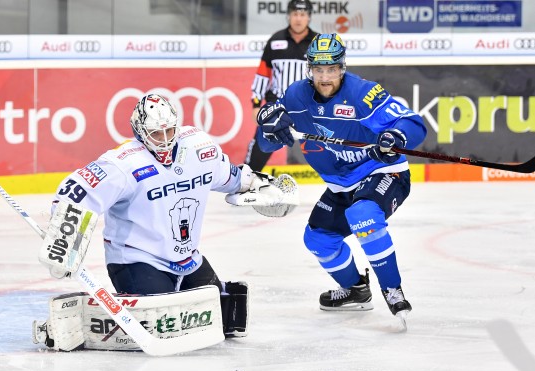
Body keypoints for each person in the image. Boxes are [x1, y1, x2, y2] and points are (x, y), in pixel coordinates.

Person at [33, 93, 295, 351]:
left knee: (224, 317)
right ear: (139, 132)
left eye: (170, 131)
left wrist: (258, 185)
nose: (165, 140)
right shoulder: (123, 164)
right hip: (136, 260)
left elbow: (231, 177)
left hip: (188, 259)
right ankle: (72, 323)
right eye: (156, 134)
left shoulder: (199, 149)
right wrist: (63, 241)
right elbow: (74, 193)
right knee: (164, 325)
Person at [255, 33, 427, 325]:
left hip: (382, 172)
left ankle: (392, 288)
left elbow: (414, 123)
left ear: (342, 67)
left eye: (331, 69)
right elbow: (265, 145)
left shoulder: (363, 93)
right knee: (318, 239)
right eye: (319, 70)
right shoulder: (296, 96)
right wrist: (269, 128)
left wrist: (395, 136)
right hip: (340, 185)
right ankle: (355, 290)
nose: (325, 77)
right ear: (310, 69)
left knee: (364, 215)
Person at [246, 0, 317, 171]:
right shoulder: (275, 41)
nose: (298, 19)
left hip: (308, 107)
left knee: (328, 149)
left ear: (309, 17)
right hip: (278, 105)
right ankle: (246, 181)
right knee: (260, 147)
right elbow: (263, 74)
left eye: (302, 14)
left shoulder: (317, 42)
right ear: (288, 16)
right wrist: (256, 104)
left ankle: (344, 189)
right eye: (295, 14)